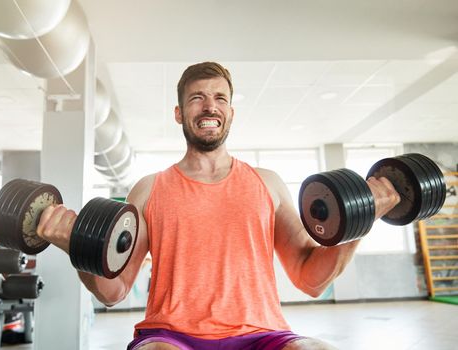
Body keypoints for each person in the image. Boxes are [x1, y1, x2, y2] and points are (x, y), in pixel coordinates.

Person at [37, 62, 401, 350]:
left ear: (230, 112)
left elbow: (310, 279)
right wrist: (77, 248)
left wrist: (362, 219)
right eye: (197, 98)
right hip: (170, 335)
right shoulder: (149, 189)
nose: (210, 105)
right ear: (179, 113)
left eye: (220, 98)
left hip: (263, 334)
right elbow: (114, 291)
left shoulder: (267, 183)